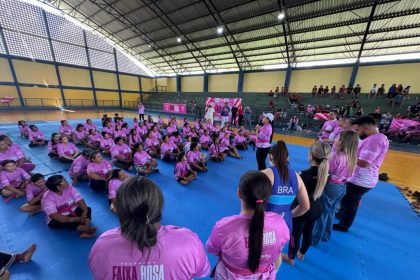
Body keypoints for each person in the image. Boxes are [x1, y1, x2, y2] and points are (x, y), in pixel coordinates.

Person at [89, 176, 210, 279]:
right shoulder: (188, 242)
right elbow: (202, 272)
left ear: (120, 209)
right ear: (159, 206)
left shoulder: (101, 247)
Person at [206, 171, 290, 279]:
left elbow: (212, 249)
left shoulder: (223, 228)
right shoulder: (280, 223)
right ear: (268, 196)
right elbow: (278, 251)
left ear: (239, 193)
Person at [334, 116, 389, 232]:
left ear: (366, 128)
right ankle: (342, 216)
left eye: (358, 130)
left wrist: (345, 157)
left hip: (361, 179)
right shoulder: (378, 138)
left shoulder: (374, 140)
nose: (357, 134)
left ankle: (344, 225)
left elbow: (364, 163)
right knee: (348, 200)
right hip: (362, 178)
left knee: (350, 202)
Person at [285, 142, 331, 265]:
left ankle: (291, 258)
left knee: (295, 234)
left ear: (311, 155)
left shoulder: (302, 175)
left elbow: (292, 194)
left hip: (303, 209)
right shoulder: (325, 173)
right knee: (308, 232)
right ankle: (302, 252)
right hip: (317, 208)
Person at [312, 131, 358, 245]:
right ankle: (325, 235)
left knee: (322, 213)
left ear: (342, 141)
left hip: (332, 186)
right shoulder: (352, 157)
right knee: (331, 211)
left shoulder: (336, 156)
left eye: (337, 138)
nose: (335, 140)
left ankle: (315, 238)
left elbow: (329, 171)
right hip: (342, 186)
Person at [261, 141, 310, 234]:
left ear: (270, 156)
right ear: (288, 158)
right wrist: (289, 215)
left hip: (265, 224)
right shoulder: (297, 177)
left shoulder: (265, 174)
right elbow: (305, 207)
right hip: (284, 225)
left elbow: (251, 202)